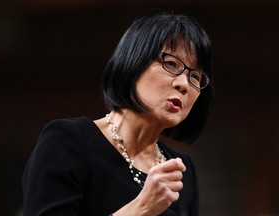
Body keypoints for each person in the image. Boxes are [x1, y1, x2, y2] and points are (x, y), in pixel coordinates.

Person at [22, 10, 213, 216]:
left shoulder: (182, 171)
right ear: (133, 62)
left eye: (195, 76)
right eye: (171, 64)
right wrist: (142, 208)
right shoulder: (67, 142)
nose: (184, 84)